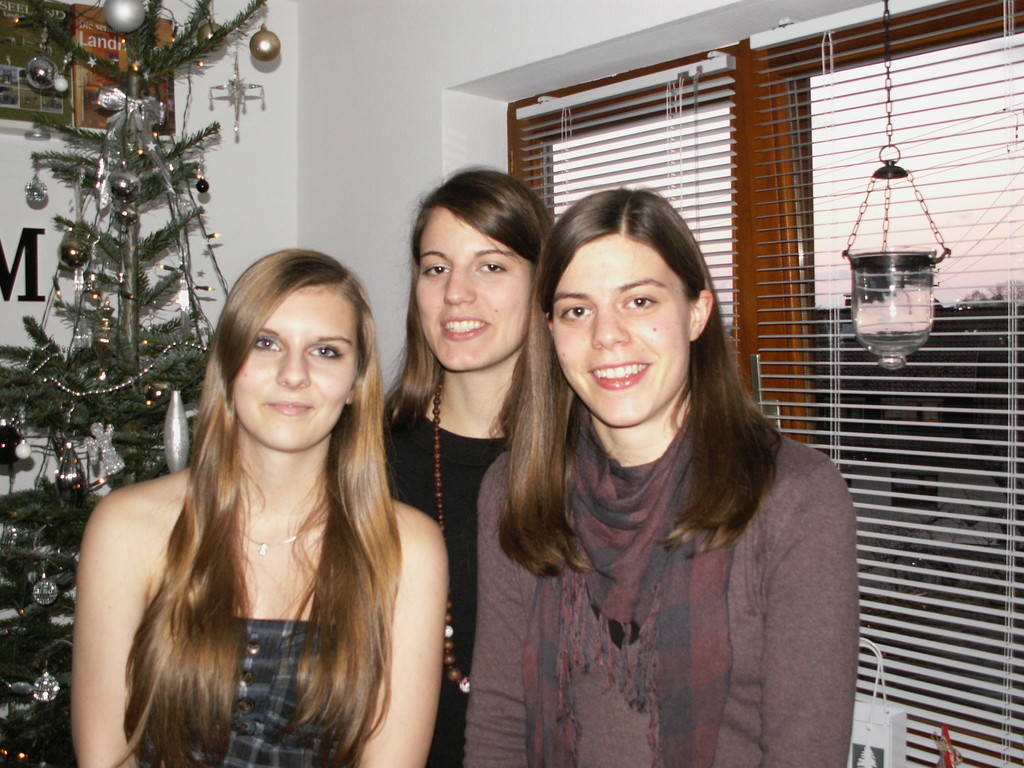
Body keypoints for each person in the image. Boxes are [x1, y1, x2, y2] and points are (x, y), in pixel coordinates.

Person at [465, 189, 860, 768]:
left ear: (696, 313)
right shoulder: (515, 489)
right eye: (577, 310)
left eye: (640, 301)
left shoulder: (794, 499)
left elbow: (805, 752)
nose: (607, 335)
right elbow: (499, 721)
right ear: (550, 330)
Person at [72, 250, 447, 768]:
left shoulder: (407, 549)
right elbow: (106, 756)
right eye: (266, 343)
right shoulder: (127, 528)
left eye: (326, 351)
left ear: (356, 383)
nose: (293, 374)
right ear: (228, 364)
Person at [386, 168, 551, 767]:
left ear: (542, 285)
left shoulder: (587, 460)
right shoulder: (364, 459)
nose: (456, 292)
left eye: (492, 266)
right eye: (436, 268)